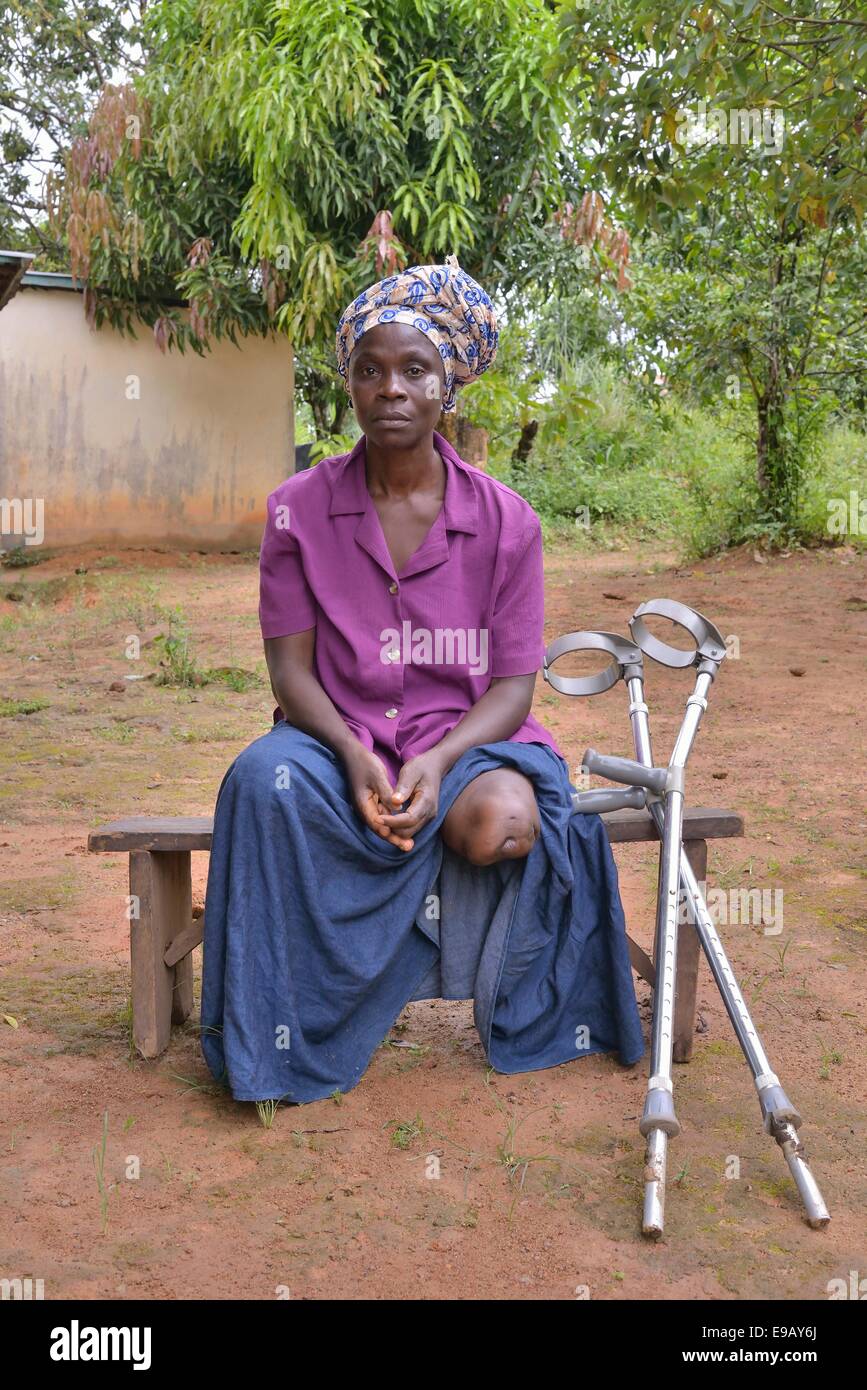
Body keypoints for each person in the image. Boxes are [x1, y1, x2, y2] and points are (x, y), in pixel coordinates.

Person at [201, 256, 643, 1105]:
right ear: (350, 388)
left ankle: (417, 932)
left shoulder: (507, 520)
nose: (390, 389)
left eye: (414, 370)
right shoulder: (296, 508)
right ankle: (277, 1039)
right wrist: (354, 754)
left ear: (450, 387)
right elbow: (291, 672)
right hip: (334, 739)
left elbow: (513, 688)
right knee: (263, 782)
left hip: (466, 739)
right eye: (370, 371)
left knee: (502, 825)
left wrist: (435, 763)